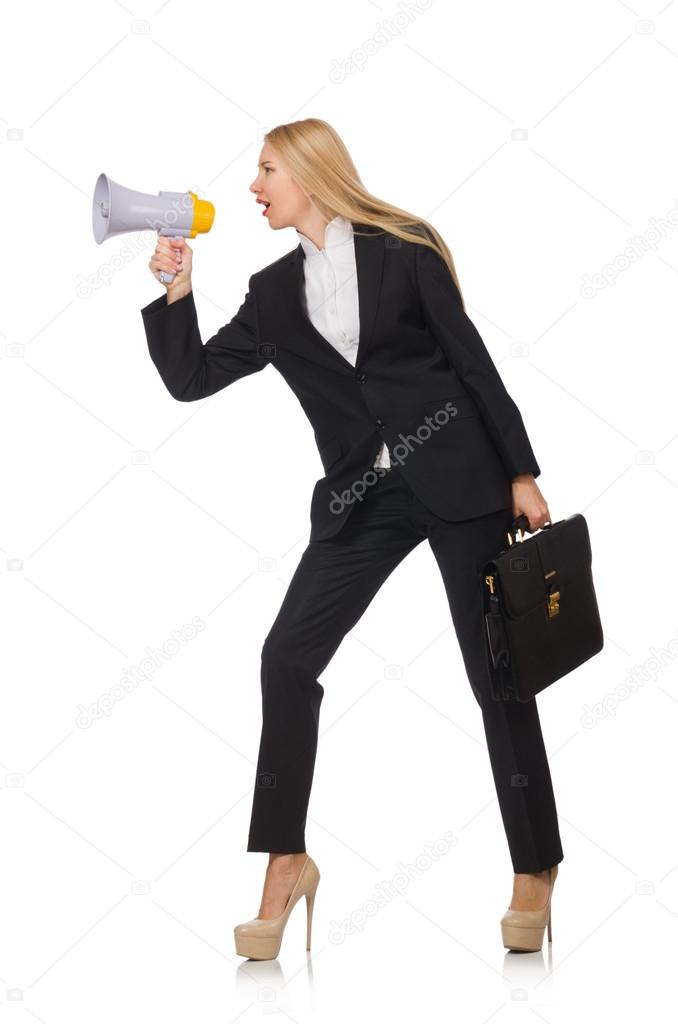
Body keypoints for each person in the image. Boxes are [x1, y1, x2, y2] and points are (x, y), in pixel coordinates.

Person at [142, 118, 562, 959]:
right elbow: (191, 381)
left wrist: (519, 471)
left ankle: (534, 867)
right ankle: (287, 861)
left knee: (497, 674)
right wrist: (177, 292)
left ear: (308, 170)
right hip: (363, 496)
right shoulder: (269, 296)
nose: (253, 187)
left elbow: (472, 363)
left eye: (265, 170)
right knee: (286, 658)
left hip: (458, 478)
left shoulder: (405, 251)